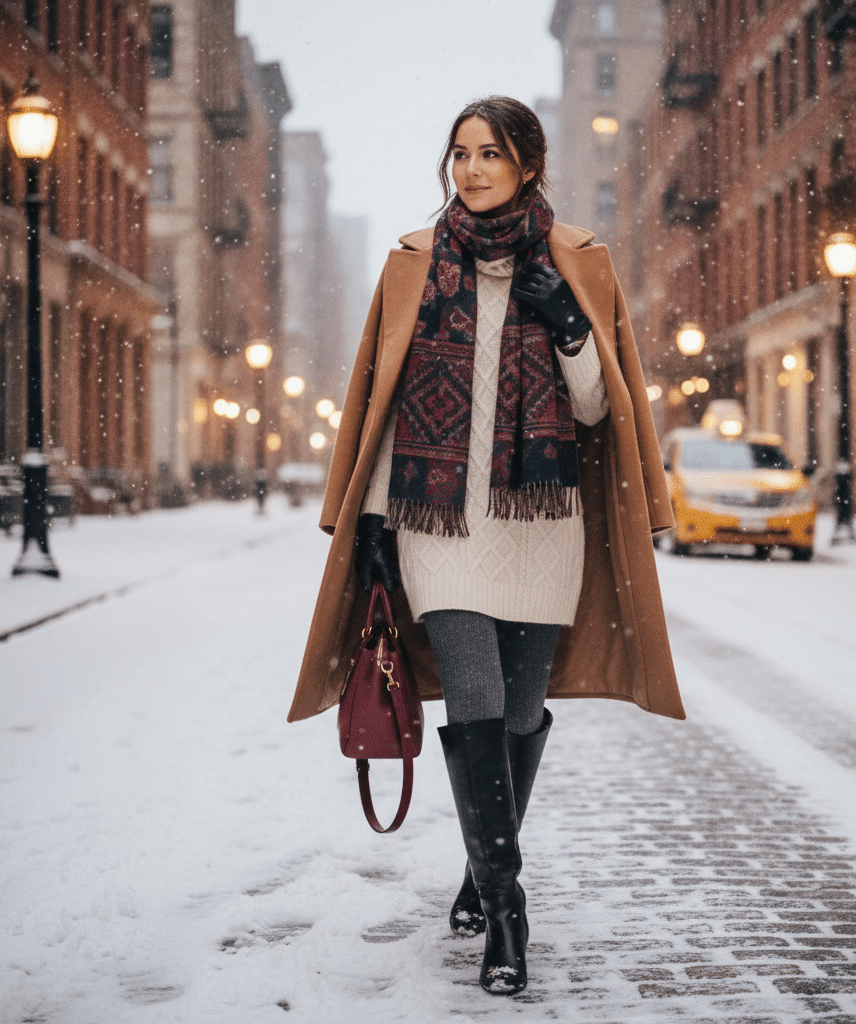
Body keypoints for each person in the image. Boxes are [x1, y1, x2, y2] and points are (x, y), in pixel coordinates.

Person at [288, 96, 685, 996]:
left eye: (490, 154)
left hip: (542, 526)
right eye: (459, 153)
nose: (470, 170)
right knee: (471, 693)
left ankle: (481, 863)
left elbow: (595, 409)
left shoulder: (578, 262)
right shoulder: (413, 265)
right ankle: (509, 911)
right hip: (439, 524)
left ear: (528, 166)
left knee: (517, 714)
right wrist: (379, 527)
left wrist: (569, 326)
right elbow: (385, 410)